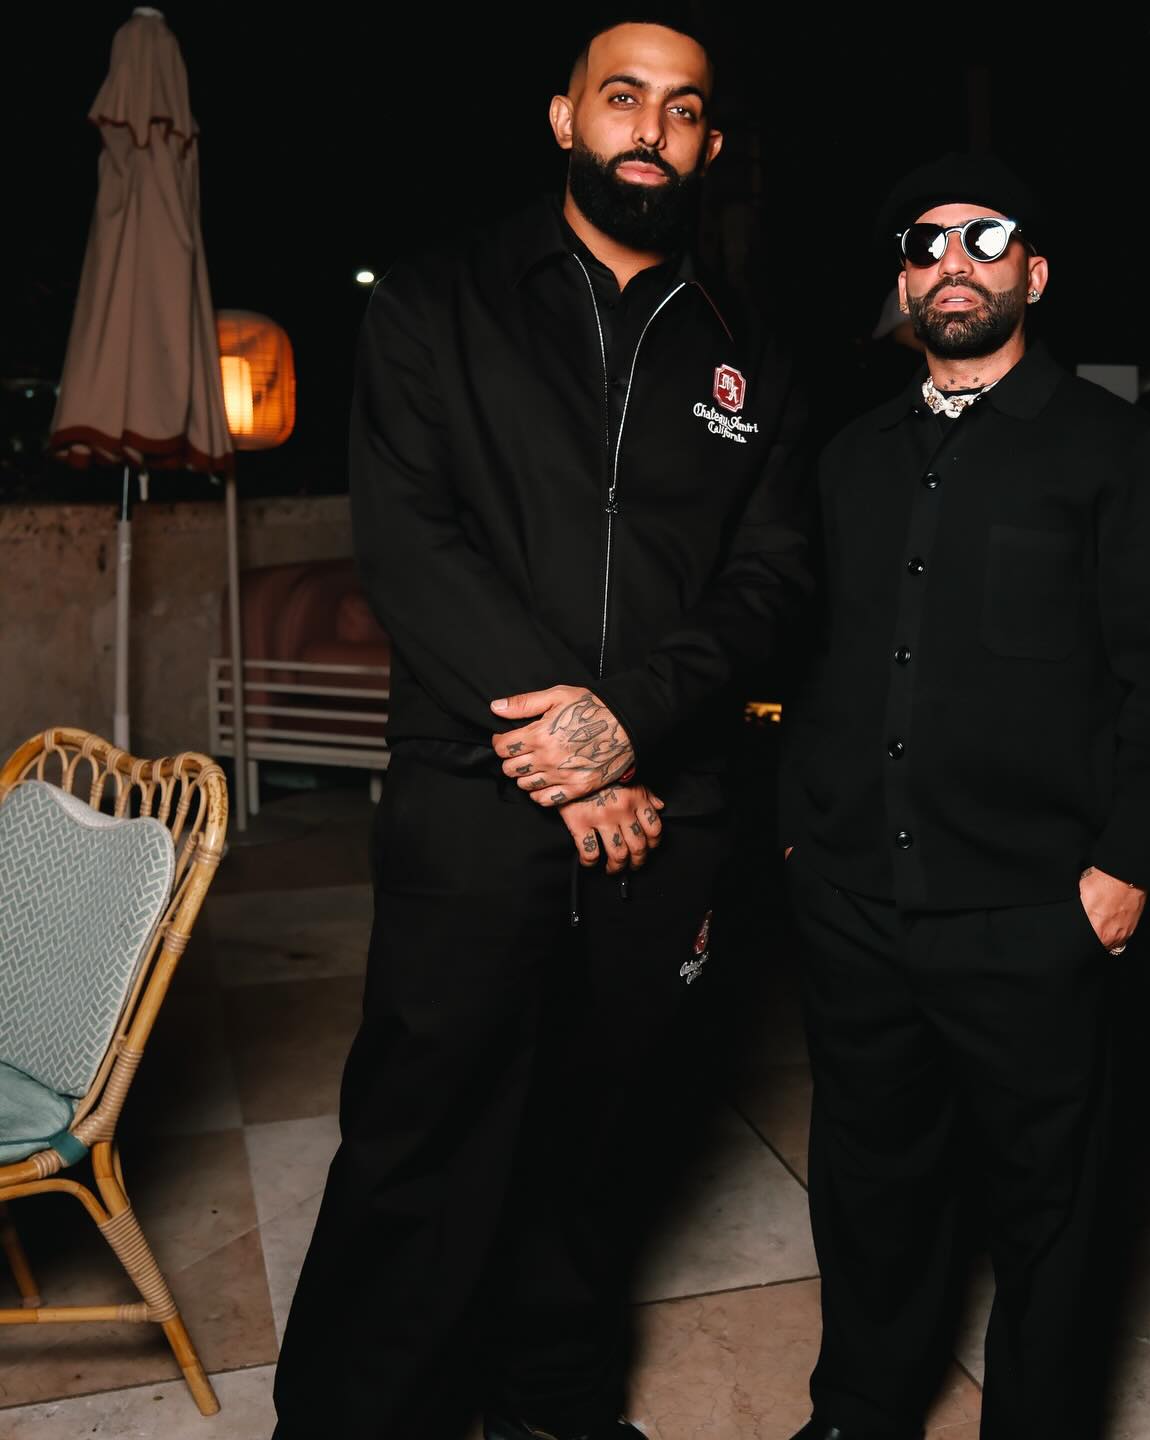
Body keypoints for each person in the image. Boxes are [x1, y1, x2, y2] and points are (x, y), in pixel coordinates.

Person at [271, 18, 809, 1440]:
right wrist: (574, 758)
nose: (651, 128)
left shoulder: (750, 345)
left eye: (682, 109)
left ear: (708, 142)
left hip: (665, 811)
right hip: (474, 793)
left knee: (599, 1138)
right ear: (565, 115)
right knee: (421, 1133)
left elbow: (773, 580)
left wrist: (630, 724)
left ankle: (555, 1404)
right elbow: (413, 545)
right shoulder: (436, 301)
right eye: (622, 96)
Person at [778, 153, 1150, 1440]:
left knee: (1049, 1204)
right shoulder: (851, 458)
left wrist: (1125, 868)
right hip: (857, 902)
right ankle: (859, 1409)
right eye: (925, 244)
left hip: (1034, 906)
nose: (951, 263)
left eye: (985, 238)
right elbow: (815, 659)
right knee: (869, 1183)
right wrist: (802, 836)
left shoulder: (1116, 450)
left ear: (1036, 272)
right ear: (903, 284)